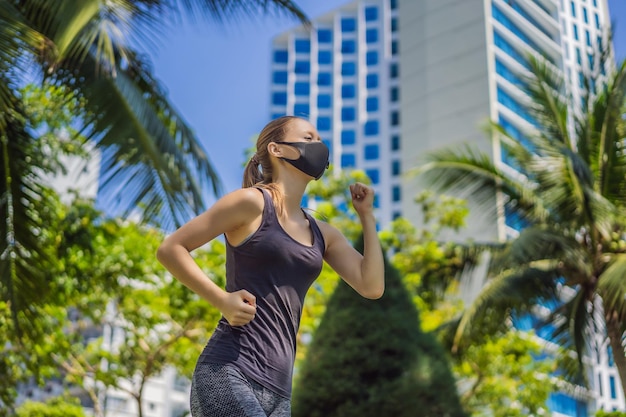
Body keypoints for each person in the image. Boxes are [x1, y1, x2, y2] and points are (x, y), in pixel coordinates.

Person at [156, 115, 385, 417]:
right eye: (308, 139)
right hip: (229, 370)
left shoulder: (323, 234)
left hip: (279, 393)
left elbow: (372, 286)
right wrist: (221, 300)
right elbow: (170, 248)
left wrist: (366, 216)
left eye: (319, 140)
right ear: (277, 149)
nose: (319, 146)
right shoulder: (250, 203)